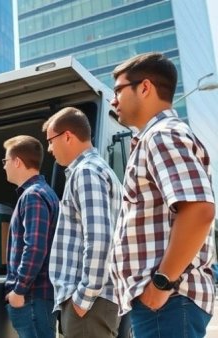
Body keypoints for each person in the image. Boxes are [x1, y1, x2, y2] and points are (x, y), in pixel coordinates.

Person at [110, 52, 215, 338]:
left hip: (167, 302)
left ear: (144, 88)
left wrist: (160, 284)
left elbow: (198, 210)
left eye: (118, 90)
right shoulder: (154, 138)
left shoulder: (161, 135)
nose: (113, 100)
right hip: (164, 304)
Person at [43, 107, 123, 338]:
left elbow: (100, 238)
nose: (49, 148)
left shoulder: (86, 172)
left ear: (67, 136)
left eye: (50, 141)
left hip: (89, 305)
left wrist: (83, 298)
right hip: (94, 303)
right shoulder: (100, 170)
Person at [2, 135, 59, 338]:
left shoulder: (33, 196)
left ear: (17, 161)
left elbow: (35, 247)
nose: (4, 166)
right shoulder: (45, 192)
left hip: (32, 297)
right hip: (37, 297)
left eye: (5, 161)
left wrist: (19, 290)